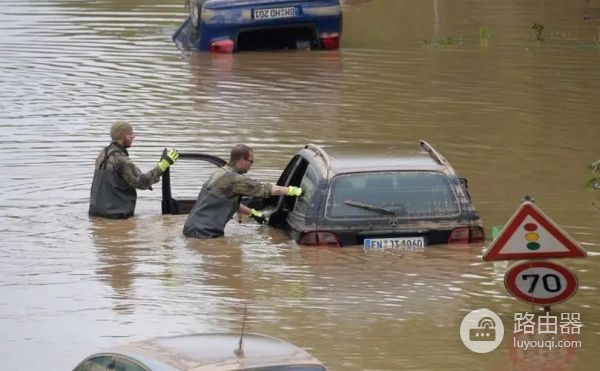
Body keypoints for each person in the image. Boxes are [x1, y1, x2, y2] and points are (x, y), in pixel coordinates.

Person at [183, 144, 303, 239]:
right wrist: (293, 190)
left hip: (191, 229)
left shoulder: (220, 172)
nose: (251, 165)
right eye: (251, 161)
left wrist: (253, 213)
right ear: (241, 160)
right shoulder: (234, 179)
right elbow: (264, 189)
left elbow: (227, 202)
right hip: (204, 235)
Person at [89, 121, 180, 219]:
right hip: (116, 216)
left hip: (96, 213)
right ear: (121, 135)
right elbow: (142, 182)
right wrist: (163, 166)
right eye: (130, 134)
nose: (133, 136)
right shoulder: (122, 160)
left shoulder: (102, 154)